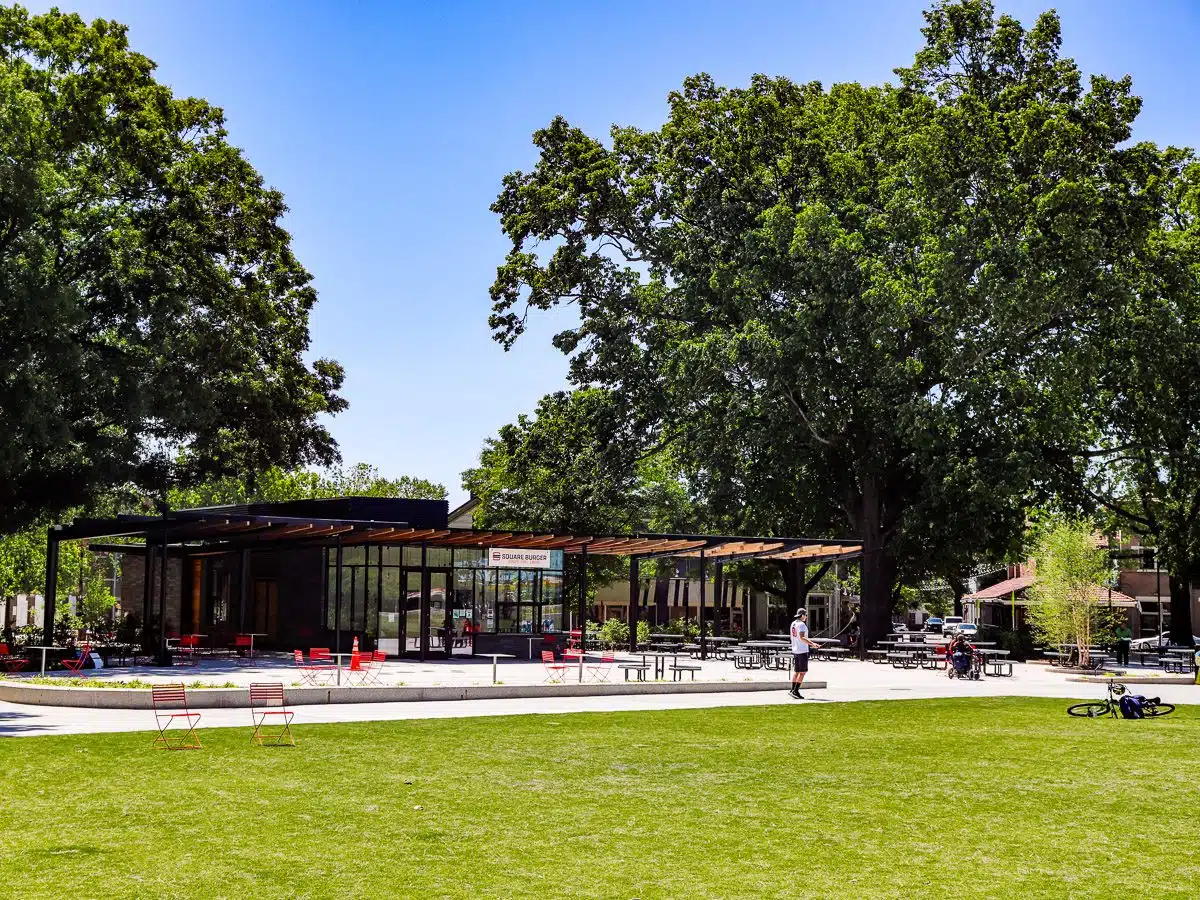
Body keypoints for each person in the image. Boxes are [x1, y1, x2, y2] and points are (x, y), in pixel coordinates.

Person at [789, 608, 821, 699]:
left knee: (797, 672)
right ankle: (795, 691)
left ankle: (792, 690)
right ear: (802, 615)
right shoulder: (802, 625)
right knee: (802, 672)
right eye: (806, 615)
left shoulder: (793, 624)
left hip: (795, 650)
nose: (806, 617)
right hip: (802, 651)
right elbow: (802, 637)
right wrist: (813, 644)